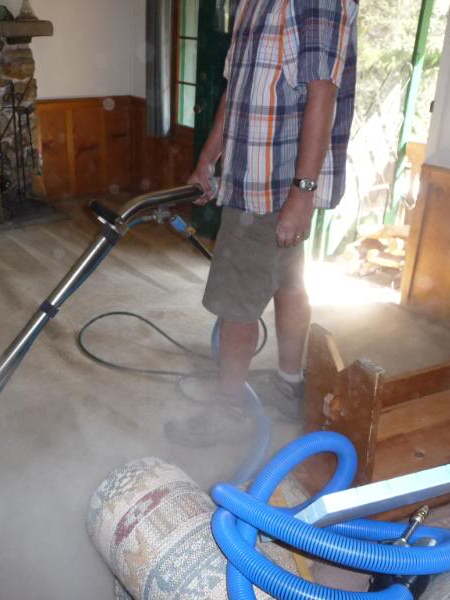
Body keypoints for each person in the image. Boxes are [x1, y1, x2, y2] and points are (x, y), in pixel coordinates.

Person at [165, 0, 359, 447]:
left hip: (272, 183)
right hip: (253, 174)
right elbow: (236, 91)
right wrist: (207, 159)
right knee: (288, 284)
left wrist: (302, 193)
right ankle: (290, 384)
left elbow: (323, 93)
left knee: (235, 304)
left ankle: (227, 410)